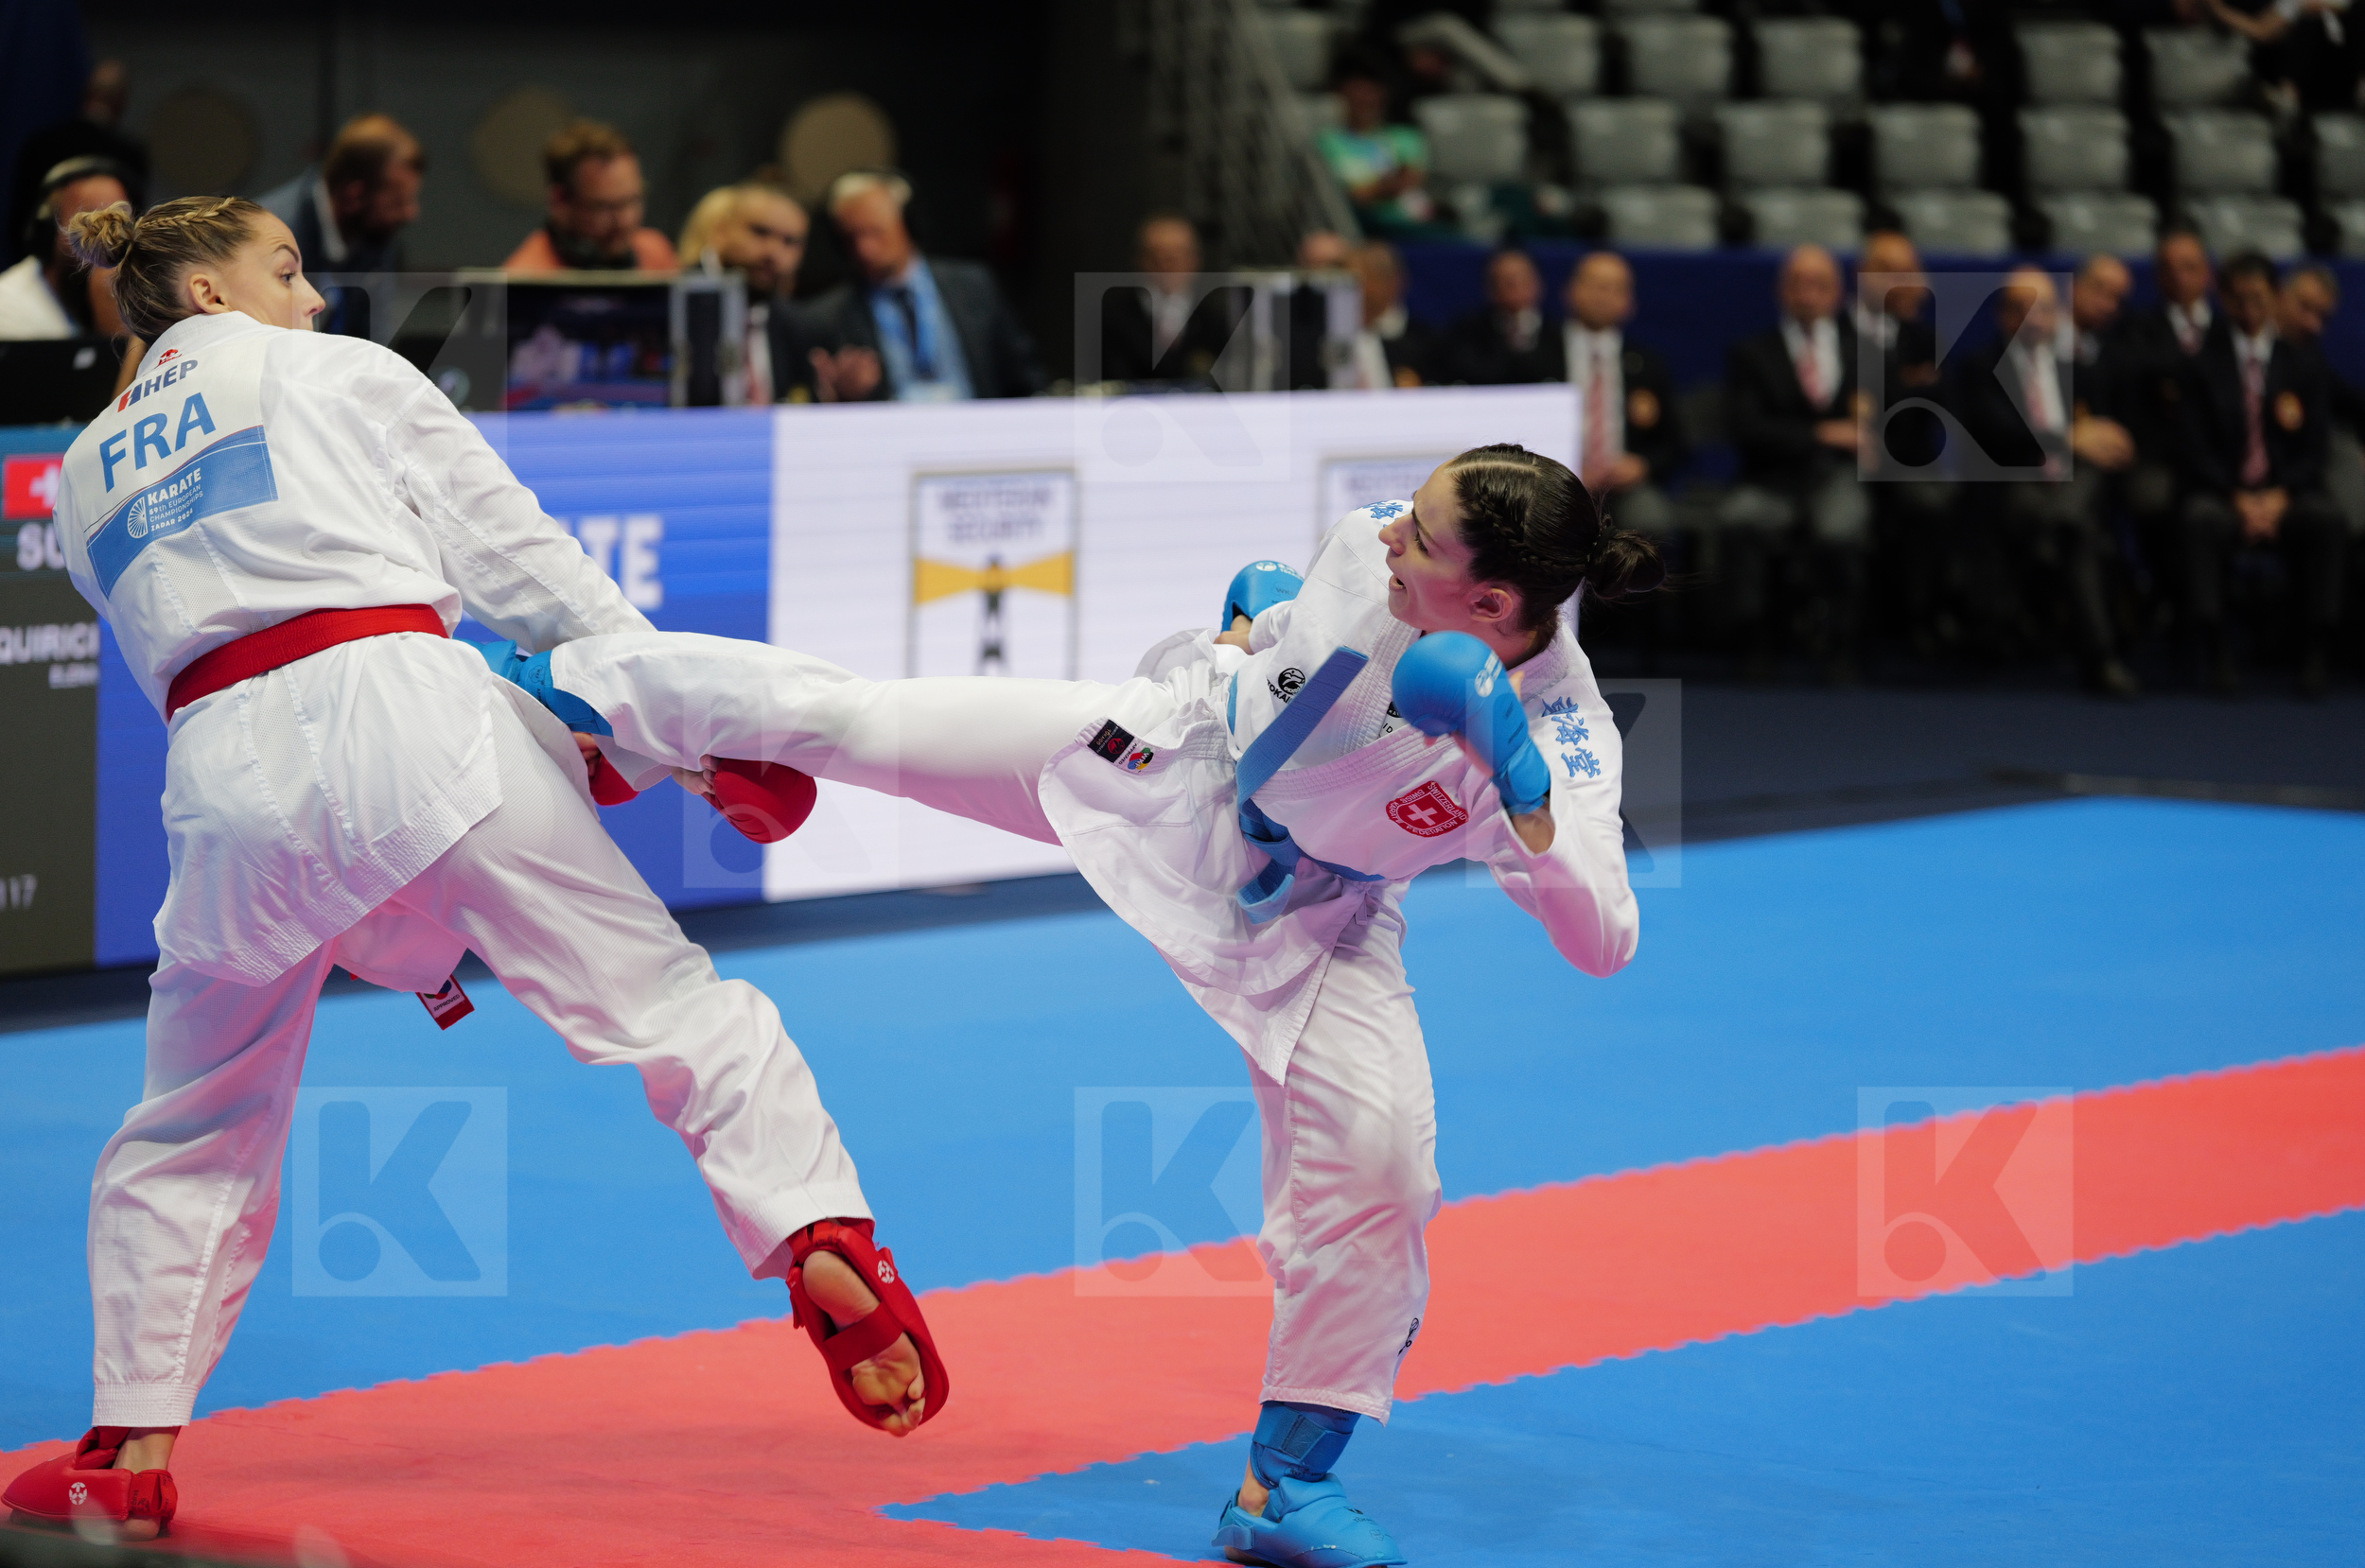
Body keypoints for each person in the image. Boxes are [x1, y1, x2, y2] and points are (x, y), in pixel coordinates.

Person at [471, 445, 1661, 1568]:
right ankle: (559, 687)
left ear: (1492, 604)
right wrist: (1251, 630)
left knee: (1385, 1169)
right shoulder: (1368, 543)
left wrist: (1518, 784)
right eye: (1408, 513)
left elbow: (1603, 940)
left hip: (1321, 910)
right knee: (867, 720)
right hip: (1168, 761)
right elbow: (1275, 698)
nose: (1393, 529)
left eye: (1424, 536)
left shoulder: (1561, 731)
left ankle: (1285, 1487)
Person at [0, 194, 944, 1542]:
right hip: (410, 714)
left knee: (195, 1114)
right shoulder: (338, 370)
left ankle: (126, 1443)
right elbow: (521, 558)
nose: (313, 297)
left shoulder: (85, 467)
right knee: (669, 1008)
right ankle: (819, 1234)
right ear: (207, 292)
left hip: (222, 779)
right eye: (286, 269)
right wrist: (688, 734)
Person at [1951, 268, 2142, 696]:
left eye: (2046, 309)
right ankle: (2102, 658)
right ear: (2005, 316)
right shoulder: (1981, 368)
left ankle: (2062, 524)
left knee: (2084, 493)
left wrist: (2114, 440)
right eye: (2025, 309)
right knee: (2078, 529)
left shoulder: (2079, 369)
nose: (2036, 318)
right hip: (2017, 484)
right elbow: (1999, 433)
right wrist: (2068, 438)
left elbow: (2104, 430)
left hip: (2075, 485)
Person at [2170, 250, 2345, 696]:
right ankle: (2217, 651)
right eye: (2239, 299)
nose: (2250, 309)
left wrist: (2282, 495)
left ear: (2275, 297)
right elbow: (2194, 448)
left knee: (2326, 519)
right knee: (2199, 519)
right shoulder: (2200, 364)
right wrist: (2238, 497)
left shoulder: (2303, 362)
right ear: (2224, 299)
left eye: (2259, 298)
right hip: (2225, 493)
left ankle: (2316, 652)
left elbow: (2315, 447)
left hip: (2286, 493)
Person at [1721, 243, 1868, 680]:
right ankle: (1754, 639)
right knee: (1740, 518)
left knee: (1840, 530)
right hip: (1772, 478)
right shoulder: (1752, 353)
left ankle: (1841, 642)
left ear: (1838, 292)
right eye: (1798, 284)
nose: (1808, 294)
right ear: (1781, 290)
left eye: (1819, 284)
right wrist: (1820, 434)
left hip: (1839, 476)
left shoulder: (1863, 352)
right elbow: (1746, 428)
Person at [797, 170, 1044, 401]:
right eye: (851, 238)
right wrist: (843, 397)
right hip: (891, 432)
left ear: (908, 223)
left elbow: (1026, 375)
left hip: (975, 427)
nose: (864, 249)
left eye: (875, 231)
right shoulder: (826, 318)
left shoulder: (973, 287)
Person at [676, 182, 879, 405]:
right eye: (760, 232)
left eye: (790, 242)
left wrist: (834, 397)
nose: (773, 253)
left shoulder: (792, 323)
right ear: (721, 231)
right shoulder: (673, 306)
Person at [1545, 250, 1685, 539]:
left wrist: (1642, 465)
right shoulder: (1538, 356)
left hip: (1626, 486)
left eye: (1614, 288)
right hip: (1556, 483)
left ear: (1629, 302)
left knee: (1652, 521)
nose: (1603, 296)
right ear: (1570, 291)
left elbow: (1674, 442)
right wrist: (1567, 468)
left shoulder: (1648, 364)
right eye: (1595, 285)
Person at [503, 119, 676, 273]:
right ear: (560, 200)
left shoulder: (656, 253)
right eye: (604, 207)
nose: (625, 220)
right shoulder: (525, 279)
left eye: (632, 201)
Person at [1100, 212, 1245, 385]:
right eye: (1156, 255)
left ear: (1195, 260)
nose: (1167, 265)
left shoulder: (1218, 323)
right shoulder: (1110, 320)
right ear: (1140, 260)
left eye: (1177, 255)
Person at [0, 155, 132, 339]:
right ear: (48, 230)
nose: (107, 240)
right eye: (90, 224)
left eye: (118, 222)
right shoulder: (7, 308)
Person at [1317, 52, 1439, 235]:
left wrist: (1369, 191)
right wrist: (1383, 187)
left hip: (1405, 225)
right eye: (1358, 90)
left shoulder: (1406, 137)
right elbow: (1341, 196)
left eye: (1372, 91)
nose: (1366, 99)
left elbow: (1409, 181)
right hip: (1352, 225)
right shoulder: (1325, 142)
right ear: (1342, 94)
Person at [1445, 247, 1551, 386]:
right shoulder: (1468, 332)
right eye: (1507, 282)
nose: (1515, 287)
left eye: (1522, 279)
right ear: (1490, 288)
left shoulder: (1557, 333)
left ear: (1538, 283)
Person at [1344, 239, 1443, 389]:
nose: (1355, 289)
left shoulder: (1425, 343)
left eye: (1366, 278)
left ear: (1394, 283)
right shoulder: (1331, 337)